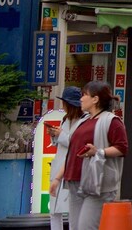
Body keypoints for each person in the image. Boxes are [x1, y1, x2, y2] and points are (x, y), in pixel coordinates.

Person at [56, 81, 128, 230]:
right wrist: (58, 178)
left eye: (84, 95)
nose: (81, 99)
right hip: (76, 182)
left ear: (95, 99)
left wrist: (99, 152)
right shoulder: (84, 120)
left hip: (97, 184)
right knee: (75, 227)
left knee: (86, 227)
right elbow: (73, 150)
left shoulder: (112, 121)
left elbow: (122, 148)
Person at [48, 87, 86, 230]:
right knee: (53, 210)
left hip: (72, 170)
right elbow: (60, 144)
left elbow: (77, 145)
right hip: (59, 167)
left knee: (72, 210)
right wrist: (53, 135)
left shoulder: (84, 121)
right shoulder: (65, 119)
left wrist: (60, 135)